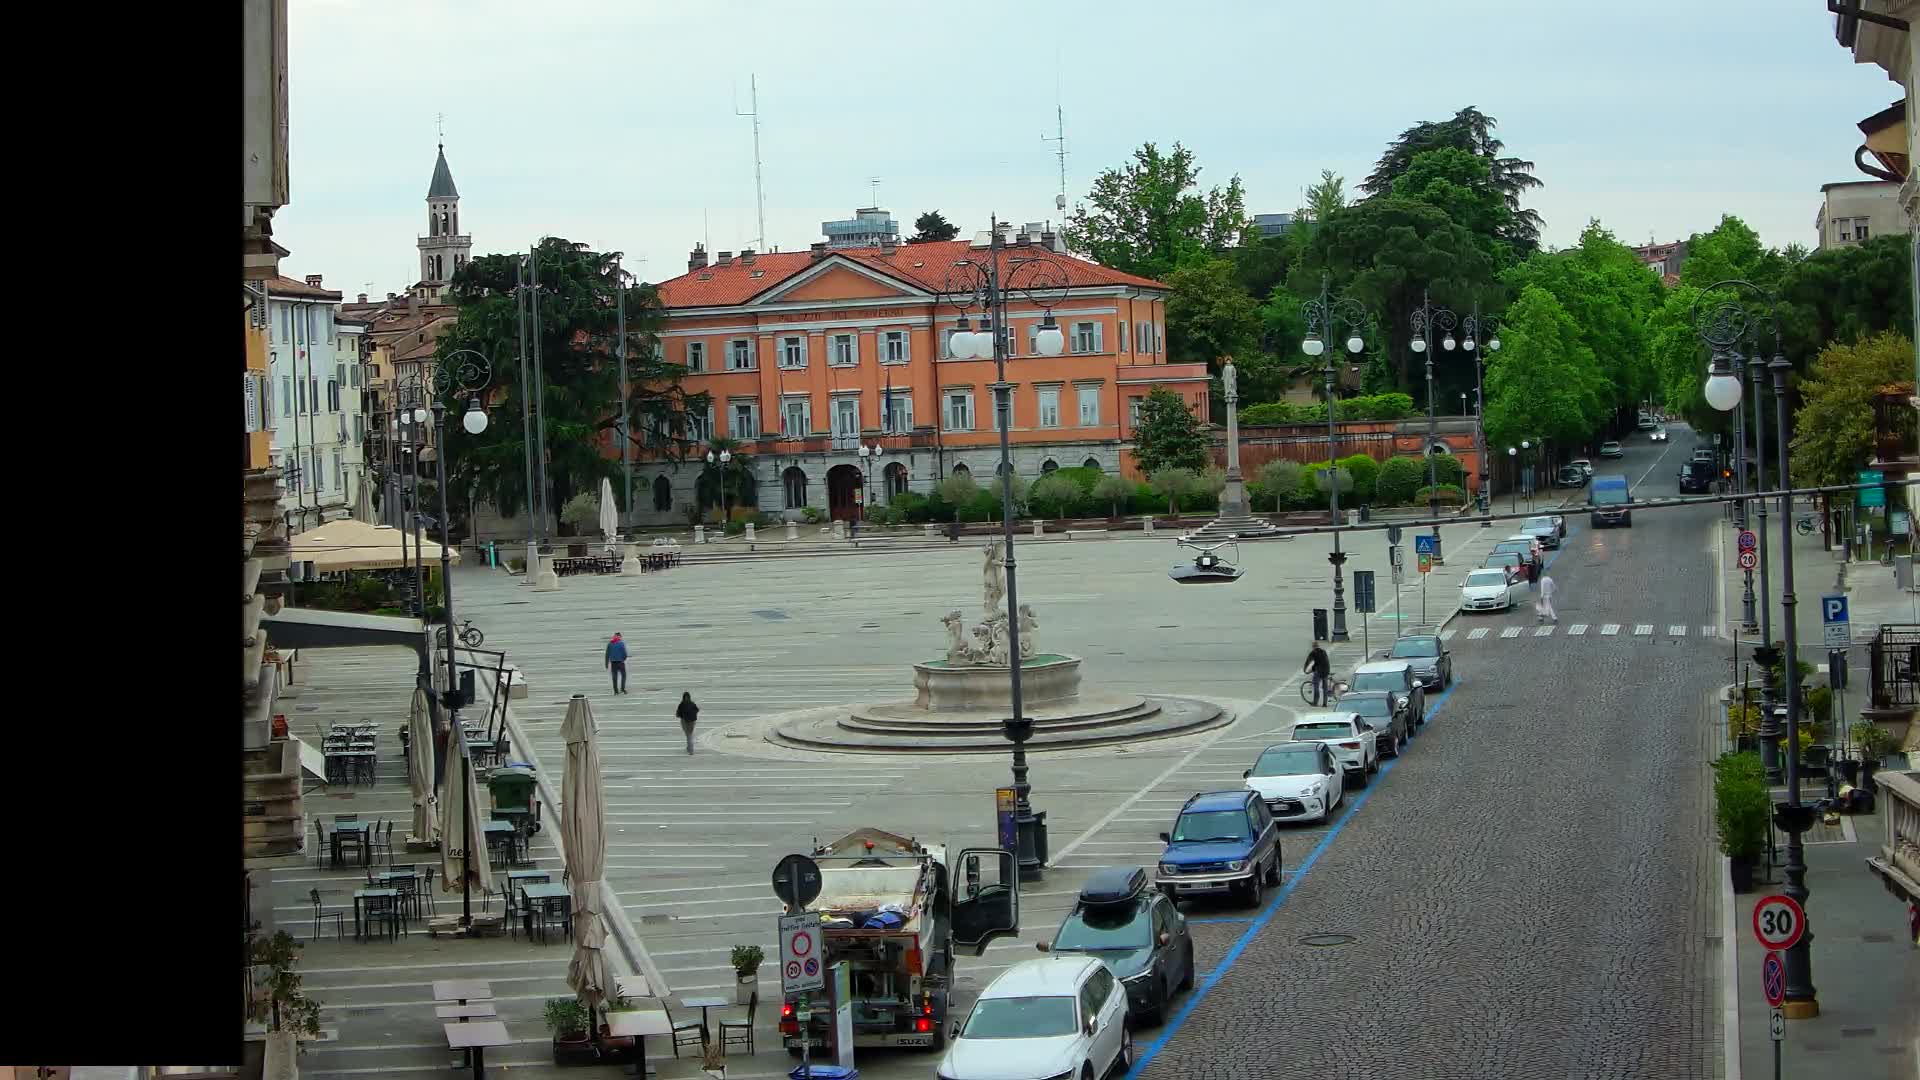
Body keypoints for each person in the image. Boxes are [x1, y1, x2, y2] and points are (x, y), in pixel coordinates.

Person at [1302, 641, 1332, 708]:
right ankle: (1325, 704)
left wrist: (1305, 670)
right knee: (1325, 688)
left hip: (1319, 671)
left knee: (1316, 686)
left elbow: (1308, 661)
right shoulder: (1323, 651)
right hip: (1326, 671)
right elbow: (1325, 661)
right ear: (1318, 646)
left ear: (1313, 647)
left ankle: (1315, 702)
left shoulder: (1313, 653)